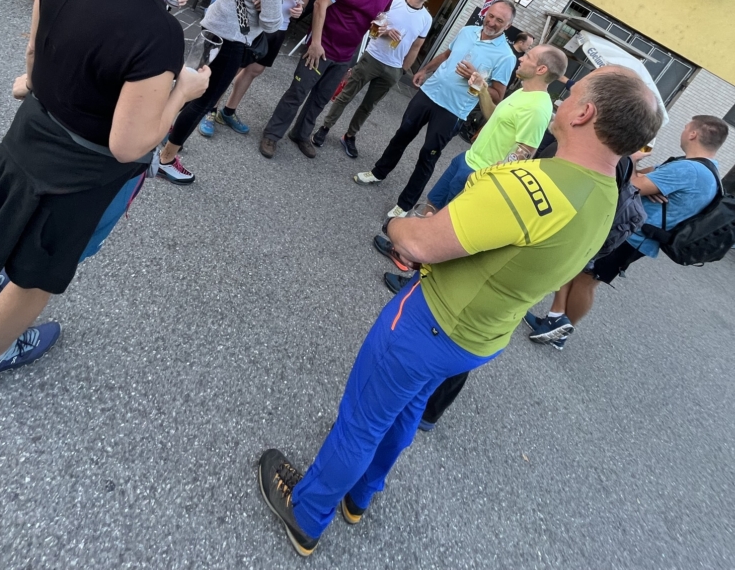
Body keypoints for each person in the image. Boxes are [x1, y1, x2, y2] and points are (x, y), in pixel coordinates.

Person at [257, 67, 664, 555]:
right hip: (480, 336)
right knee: (406, 410)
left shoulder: (535, 184)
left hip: (431, 322)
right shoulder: (606, 193)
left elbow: (420, 244)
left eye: (570, 93)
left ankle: (306, 513)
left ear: (584, 113)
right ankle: (360, 496)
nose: (561, 100)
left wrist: (400, 227)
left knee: (362, 419)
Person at [0, 0, 217, 386]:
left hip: (27, 136)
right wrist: (183, 94)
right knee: (37, 274)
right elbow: (128, 144)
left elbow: (34, 53)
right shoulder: (158, 33)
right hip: (79, 175)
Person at [157, 0, 327, 183]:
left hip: (215, 24)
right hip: (231, 37)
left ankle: (155, 134)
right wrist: (273, 1)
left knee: (185, 89)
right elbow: (272, 22)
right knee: (202, 101)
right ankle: (166, 158)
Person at [524, 114, 729, 346]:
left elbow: (633, 184)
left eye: (686, 127)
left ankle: (558, 327)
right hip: (639, 236)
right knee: (580, 272)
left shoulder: (689, 169)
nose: (683, 131)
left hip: (629, 233)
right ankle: (556, 322)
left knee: (586, 278)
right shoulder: (709, 171)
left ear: (693, 134)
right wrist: (644, 181)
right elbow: (644, 178)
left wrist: (631, 161)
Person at [378, 44, 567, 291]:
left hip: (478, 175)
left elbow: (524, 152)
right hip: (467, 160)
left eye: (528, 57)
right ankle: (406, 252)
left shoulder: (538, 108)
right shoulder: (523, 92)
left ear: (541, 69)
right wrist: (482, 90)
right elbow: (493, 115)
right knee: (432, 206)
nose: (521, 58)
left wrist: (487, 180)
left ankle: (417, 283)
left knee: (446, 230)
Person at [353, 0, 517, 219]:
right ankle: (378, 172)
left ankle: (405, 204)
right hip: (429, 93)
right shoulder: (468, 31)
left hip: (453, 110)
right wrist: (425, 70)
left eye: (500, 21)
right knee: (401, 135)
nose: (492, 22)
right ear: (486, 13)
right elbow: (447, 55)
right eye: (491, 16)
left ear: (508, 26)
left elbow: (497, 94)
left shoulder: (506, 56)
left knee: (427, 155)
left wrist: (477, 79)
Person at [259, 0, 404, 160]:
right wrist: (315, 43)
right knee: (298, 92)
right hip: (322, 44)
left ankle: (300, 134)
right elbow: (320, 3)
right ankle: (272, 134)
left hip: (346, 53)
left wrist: (380, 28)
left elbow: (379, 15)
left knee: (321, 98)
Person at [198, 0, 324, 137]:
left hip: (281, 24)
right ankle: (209, 109)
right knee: (234, 67)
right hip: (257, 22)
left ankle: (228, 111)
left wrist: (300, 7)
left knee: (255, 69)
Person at [312, 0, 434, 158]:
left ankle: (350, 135)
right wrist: (386, 31)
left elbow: (416, 47)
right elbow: (372, 28)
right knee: (346, 95)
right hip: (372, 57)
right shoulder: (394, 1)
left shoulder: (426, 18)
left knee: (368, 106)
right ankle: (325, 127)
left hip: (393, 69)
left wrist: (401, 71)